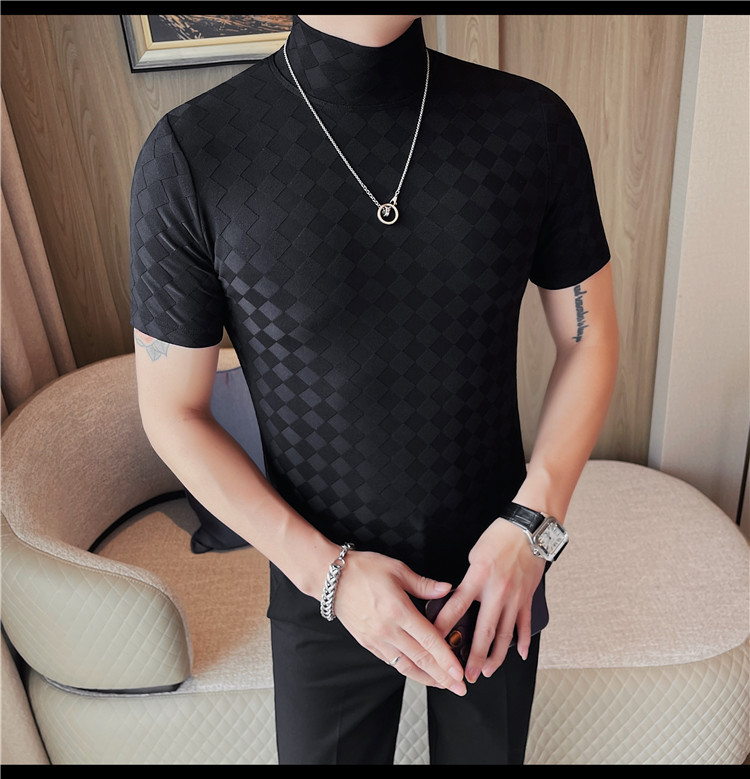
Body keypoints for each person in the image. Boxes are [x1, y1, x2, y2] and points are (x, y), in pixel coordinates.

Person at [129, 14, 618, 765]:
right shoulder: (193, 154)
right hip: (321, 584)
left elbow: (589, 337)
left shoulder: (532, 127)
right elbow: (172, 410)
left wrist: (535, 523)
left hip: (499, 563)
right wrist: (327, 574)